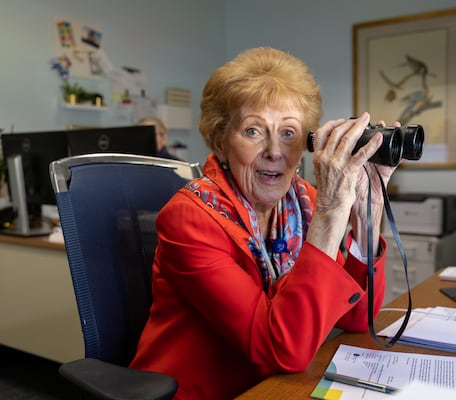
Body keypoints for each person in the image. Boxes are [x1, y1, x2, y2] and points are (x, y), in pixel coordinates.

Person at [130, 47, 401, 399]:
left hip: (274, 386)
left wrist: (369, 210)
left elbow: (355, 317)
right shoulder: (191, 219)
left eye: (289, 133)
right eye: (254, 131)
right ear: (220, 142)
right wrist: (332, 213)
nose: (275, 150)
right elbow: (281, 348)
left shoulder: (304, 204)